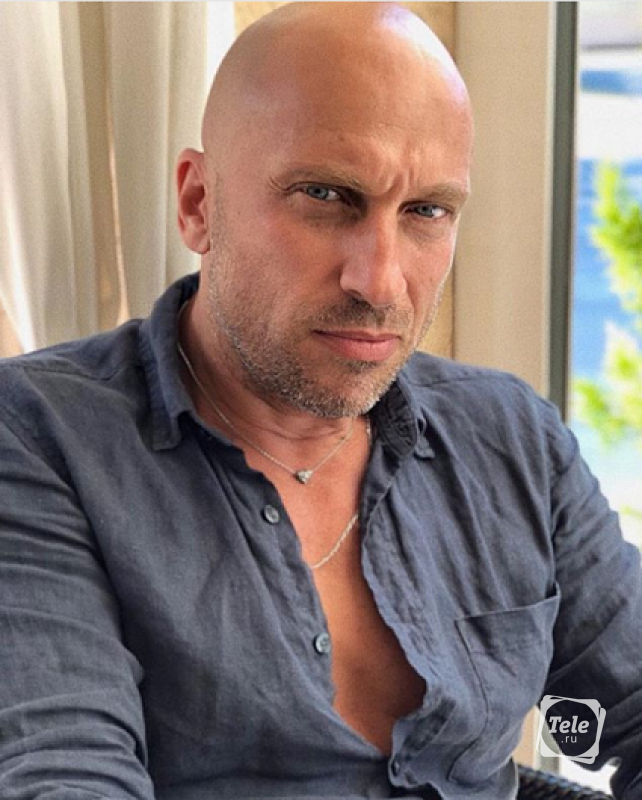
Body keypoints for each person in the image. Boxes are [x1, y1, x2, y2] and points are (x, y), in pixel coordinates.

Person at [0, 3, 641, 799]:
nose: (380, 282)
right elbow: (64, 775)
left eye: (426, 212)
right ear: (198, 203)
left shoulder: (509, 438)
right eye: (327, 196)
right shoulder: (39, 438)